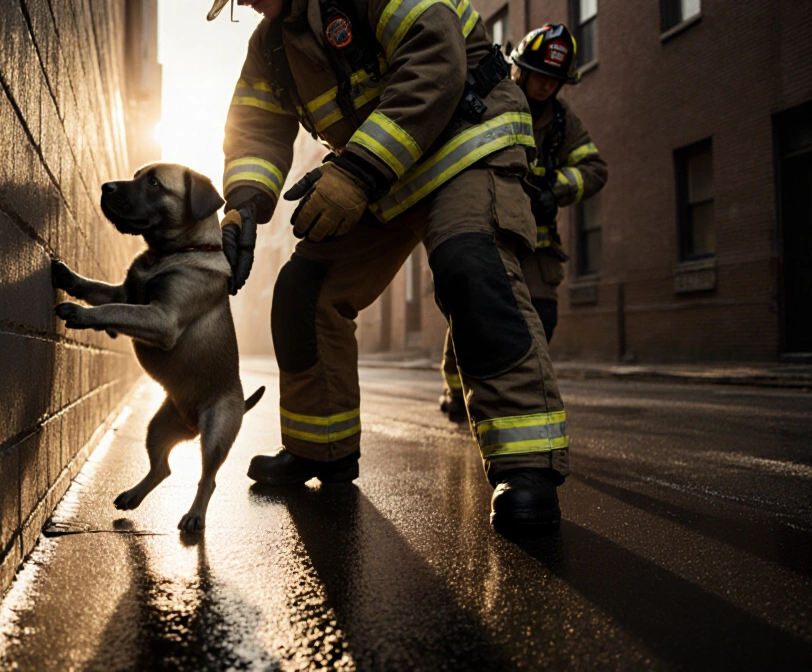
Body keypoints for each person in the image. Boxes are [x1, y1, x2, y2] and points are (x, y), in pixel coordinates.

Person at [211, 0, 570, 529]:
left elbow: (434, 60)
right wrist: (242, 204)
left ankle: (528, 468)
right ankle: (321, 447)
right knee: (304, 290)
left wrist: (356, 172)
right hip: (382, 173)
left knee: (471, 269)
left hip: (463, 143)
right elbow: (256, 129)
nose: (244, 2)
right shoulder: (270, 46)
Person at [439, 23, 608, 422]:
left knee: (540, 320)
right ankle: (456, 386)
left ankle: (514, 401)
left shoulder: (564, 122)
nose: (548, 86)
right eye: (541, 75)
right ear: (521, 68)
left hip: (536, 243)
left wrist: (556, 190)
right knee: (473, 313)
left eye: (556, 80)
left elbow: (595, 168)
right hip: (489, 227)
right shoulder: (491, 96)